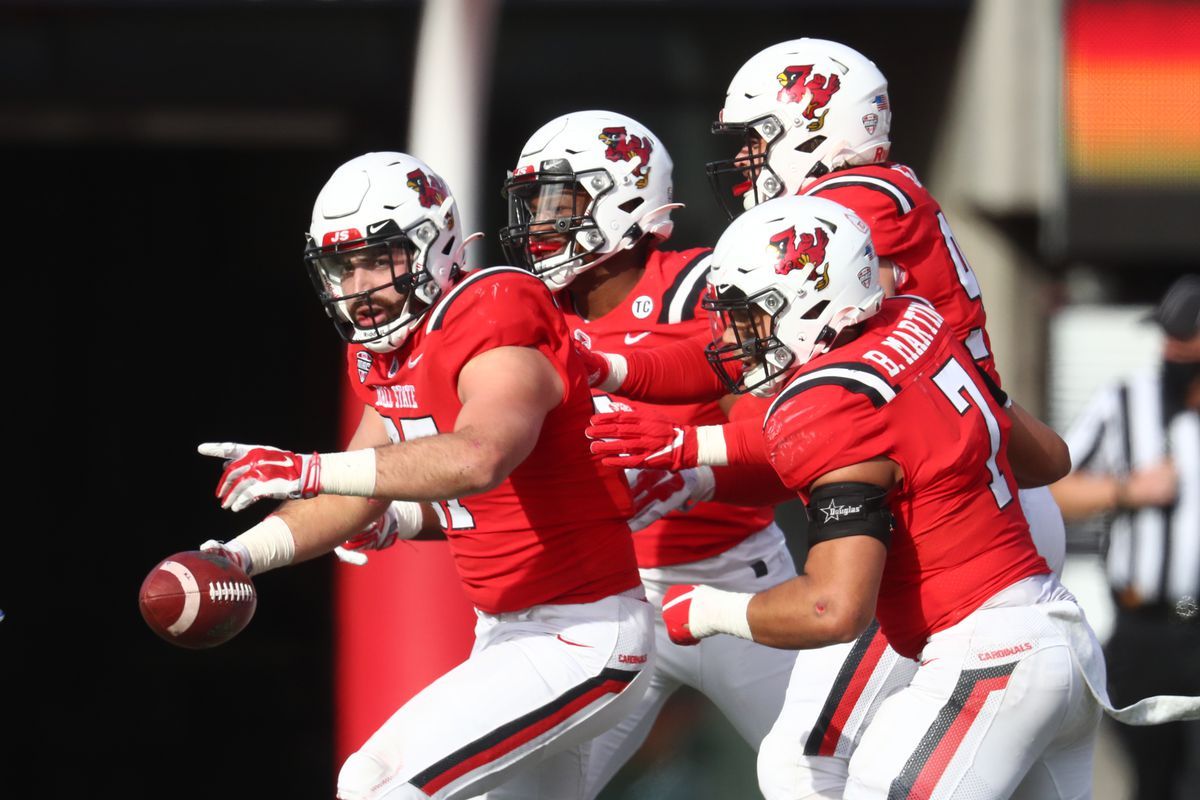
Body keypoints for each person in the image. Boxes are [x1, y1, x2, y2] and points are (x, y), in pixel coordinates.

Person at [196, 152, 654, 800]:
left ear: (434, 245)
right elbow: (354, 497)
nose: (358, 284)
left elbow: (479, 455)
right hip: (510, 634)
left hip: (579, 634)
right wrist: (238, 557)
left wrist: (307, 467)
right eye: (342, 265)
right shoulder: (384, 352)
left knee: (382, 785)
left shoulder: (496, 314)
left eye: (376, 258)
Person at [659, 193, 1103, 798]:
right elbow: (1047, 457)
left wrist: (709, 611)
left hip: (990, 658)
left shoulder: (830, 405)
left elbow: (833, 608)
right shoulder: (914, 323)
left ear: (807, 300)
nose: (738, 335)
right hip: (1059, 637)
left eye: (751, 315)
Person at [583, 37, 1067, 575]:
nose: (744, 157)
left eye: (757, 136)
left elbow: (811, 387)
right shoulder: (869, 194)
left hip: (960, 502)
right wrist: (613, 370)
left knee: (837, 628)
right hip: (946, 479)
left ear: (816, 124)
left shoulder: (849, 206)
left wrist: (687, 449)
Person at [498, 109, 806, 799]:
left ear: (625, 199)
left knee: (830, 778)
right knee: (522, 790)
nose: (538, 226)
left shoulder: (704, 287)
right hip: (600, 599)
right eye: (531, 206)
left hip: (733, 582)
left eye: (559, 204)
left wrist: (692, 477)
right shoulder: (528, 313)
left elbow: (783, 458)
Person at [1050, 273, 1200, 800]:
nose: (1172, 352)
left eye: (1185, 340)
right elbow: (1052, 492)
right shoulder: (1125, 400)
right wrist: (1125, 490)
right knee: (1152, 782)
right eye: (1168, 339)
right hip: (1147, 630)